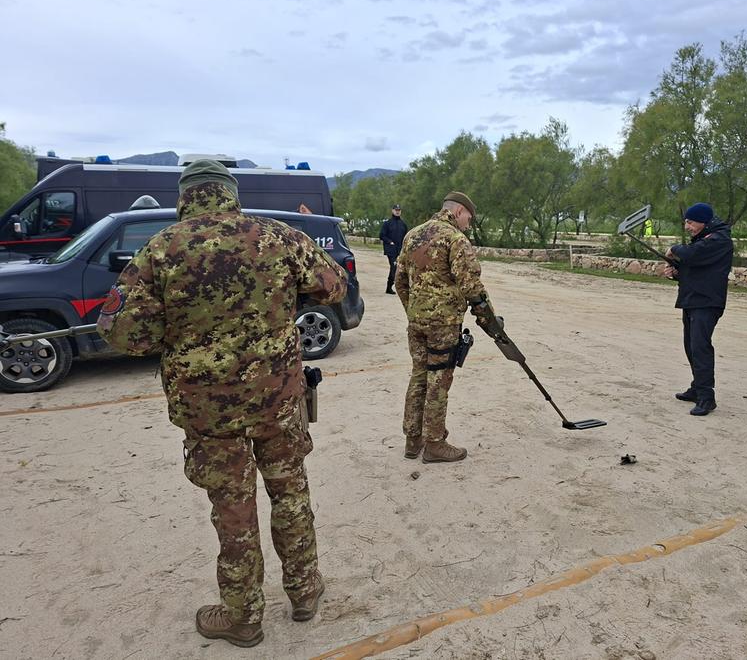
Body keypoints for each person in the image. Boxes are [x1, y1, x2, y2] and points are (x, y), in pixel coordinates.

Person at [96, 159, 347, 647]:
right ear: (231, 192)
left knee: (233, 512)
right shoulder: (279, 236)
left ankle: (244, 617)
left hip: (210, 415)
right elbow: (334, 285)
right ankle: (304, 591)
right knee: (291, 494)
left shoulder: (160, 250)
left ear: (184, 197)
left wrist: (178, 327)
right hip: (278, 404)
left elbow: (121, 331)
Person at [394, 191, 503, 463]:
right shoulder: (455, 239)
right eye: (469, 217)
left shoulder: (413, 235)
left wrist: (415, 312)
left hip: (417, 323)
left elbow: (399, 282)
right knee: (438, 379)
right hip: (443, 325)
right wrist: (489, 319)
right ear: (457, 212)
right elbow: (471, 287)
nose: (470, 222)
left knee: (419, 375)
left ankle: (412, 440)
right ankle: (434, 443)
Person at [664, 202, 734, 416]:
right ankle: (697, 388)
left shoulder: (719, 239)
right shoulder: (703, 238)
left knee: (700, 347)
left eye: (690, 222)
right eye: (686, 222)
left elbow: (694, 255)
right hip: (692, 299)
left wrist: (675, 249)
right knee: (690, 346)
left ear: (703, 221)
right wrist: (675, 271)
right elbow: (694, 267)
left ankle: (706, 397)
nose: (687, 226)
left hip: (707, 302)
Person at [379, 203, 408, 294]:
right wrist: (389, 242)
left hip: (400, 250)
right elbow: (382, 235)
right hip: (391, 250)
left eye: (399, 210)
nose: (397, 212)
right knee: (394, 267)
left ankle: (400, 287)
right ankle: (389, 287)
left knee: (400, 268)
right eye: (396, 210)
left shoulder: (403, 224)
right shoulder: (387, 223)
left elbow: (406, 237)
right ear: (392, 211)